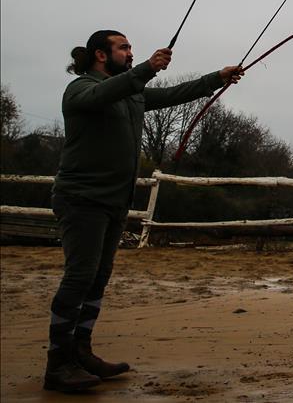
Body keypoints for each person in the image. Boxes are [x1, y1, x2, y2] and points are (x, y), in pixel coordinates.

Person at [44, 29, 243, 392]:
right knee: (79, 277)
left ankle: (81, 352)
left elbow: (172, 94)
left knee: (97, 278)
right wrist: (148, 68)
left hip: (114, 202)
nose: (130, 53)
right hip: (81, 199)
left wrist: (217, 78)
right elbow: (105, 93)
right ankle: (58, 363)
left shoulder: (131, 93)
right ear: (101, 55)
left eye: (132, 48)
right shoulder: (81, 88)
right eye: (124, 48)